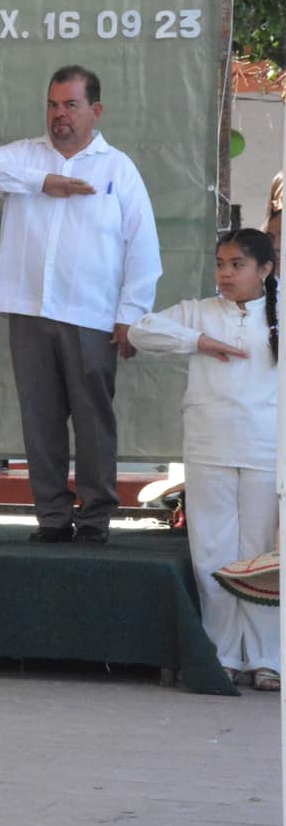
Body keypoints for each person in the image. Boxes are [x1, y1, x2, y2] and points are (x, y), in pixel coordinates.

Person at [0, 66, 162, 545]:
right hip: (28, 309)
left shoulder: (117, 167)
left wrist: (130, 315)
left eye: (71, 105)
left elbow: (142, 246)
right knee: (40, 417)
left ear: (95, 111)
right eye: (53, 105)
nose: (60, 115)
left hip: (91, 314)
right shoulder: (24, 157)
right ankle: (52, 515)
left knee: (94, 417)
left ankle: (96, 515)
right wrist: (43, 181)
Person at [129, 229, 280, 691]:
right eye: (220, 263)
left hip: (266, 450)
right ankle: (222, 654)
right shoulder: (199, 312)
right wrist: (201, 342)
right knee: (212, 552)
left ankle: (267, 657)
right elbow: (141, 331)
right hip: (209, 446)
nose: (226, 273)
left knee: (260, 557)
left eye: (237, 265)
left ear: (266, 270)